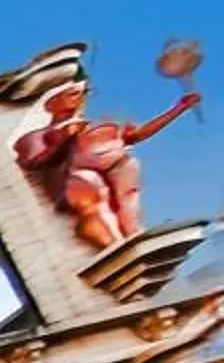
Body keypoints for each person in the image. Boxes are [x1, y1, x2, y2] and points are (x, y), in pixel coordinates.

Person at [13, 79, 201, 250]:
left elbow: (136, 136)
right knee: (91, 187)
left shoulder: (97, 127)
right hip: (77, 187)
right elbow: (31, 162)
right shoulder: (38, 136)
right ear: (51, 103)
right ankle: (117, 246)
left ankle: (134, 237)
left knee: (128, 176)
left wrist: (179, 108)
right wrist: (63, 138)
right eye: (72, 93)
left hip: (118, 180)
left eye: (83, 92)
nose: (80, 97)